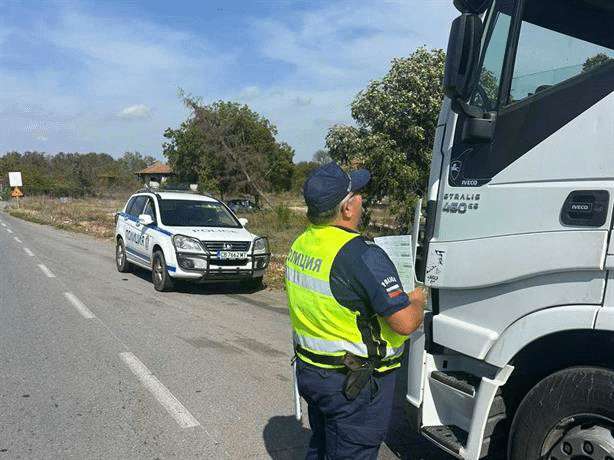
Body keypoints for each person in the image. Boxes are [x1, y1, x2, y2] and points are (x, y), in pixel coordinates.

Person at [285, 162, 427, 460]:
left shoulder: (302, 243)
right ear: (347, 209)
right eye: (358, 194)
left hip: (314, 373)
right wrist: (417, 298)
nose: (363, 199)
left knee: (322, 445)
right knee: (351, 452)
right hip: (355, 384)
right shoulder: (361, 254)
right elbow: (403, 324)